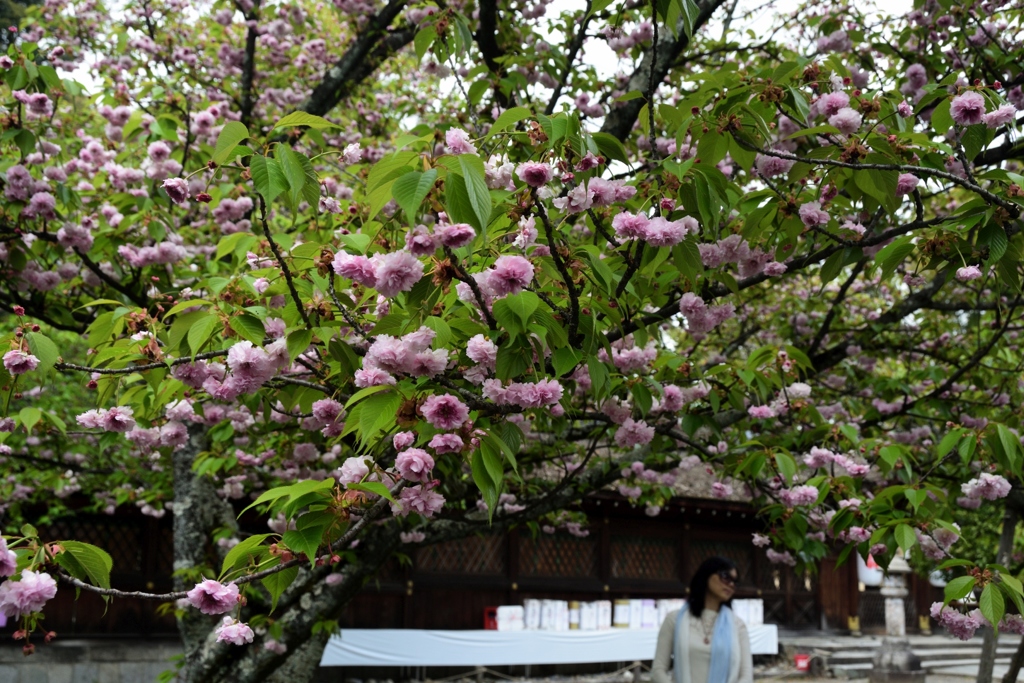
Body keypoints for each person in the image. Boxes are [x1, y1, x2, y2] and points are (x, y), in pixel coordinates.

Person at [651, 557, 753, 683]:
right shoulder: (674, 620)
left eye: (735, 582)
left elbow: (746, 676)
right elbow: (658, 670)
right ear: (706, 575)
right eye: (725, 577)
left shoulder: (738, 625)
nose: (731, 584)